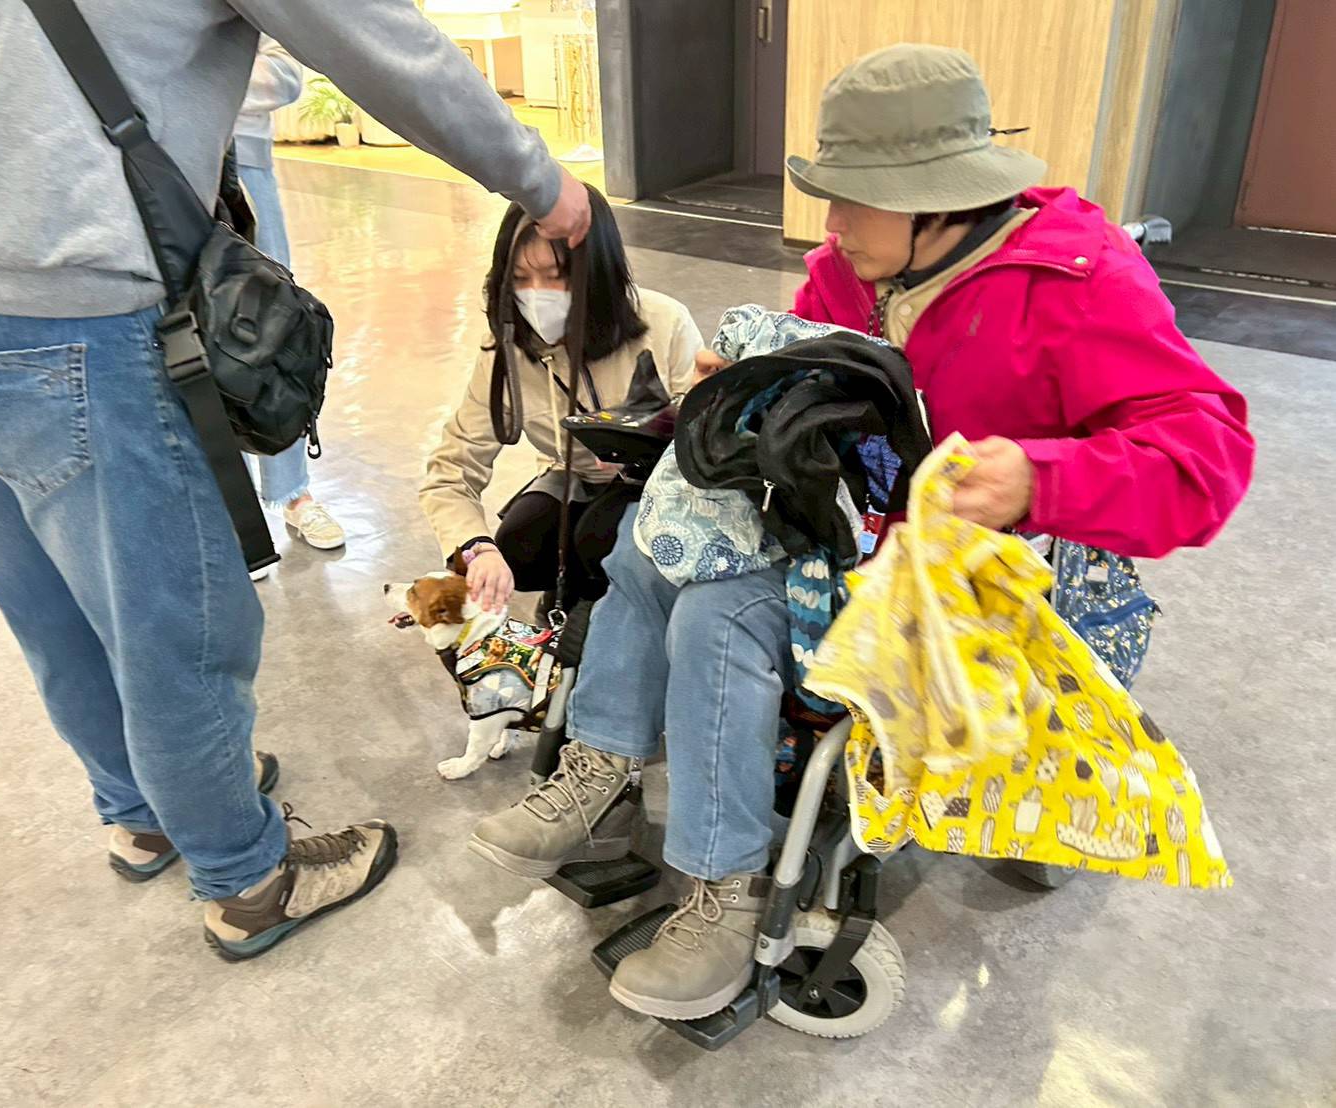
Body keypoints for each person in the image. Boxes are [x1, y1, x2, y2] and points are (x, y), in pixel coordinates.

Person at [468, 44, 1255, 1019]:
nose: (829, 223)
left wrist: (1036, 477)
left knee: (717, 614)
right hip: (838, 534)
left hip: (954, 578)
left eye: (851, 198)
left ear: (934, 201)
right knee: (646, 536)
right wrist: (740, 386)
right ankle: (600, 766)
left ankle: (726, 888)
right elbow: (809, 375)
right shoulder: (853, 270)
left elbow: (1206, 458)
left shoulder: (1075, 282)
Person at [0, 0, 591, 961]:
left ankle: (142, 812)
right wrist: (544, 185)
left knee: (49, 608)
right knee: (176, 620)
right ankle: (247, 878)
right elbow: (378, 40)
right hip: (61, 301)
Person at [419, 190, 702, 613]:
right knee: (520, 545)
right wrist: (476, 549)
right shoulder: (506, 350)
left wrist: (641, 456)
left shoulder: (665, 323)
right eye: (519, 279)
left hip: (659, 488)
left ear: (598, 272)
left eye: (555, 276)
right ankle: (571, 594)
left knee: (600, 538)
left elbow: (706, 451)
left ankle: (601, 613)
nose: (537, 295)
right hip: (573, 479)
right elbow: (451, 469)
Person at [233, 37, 347, 565]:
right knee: (183, 340)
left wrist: (189, 71)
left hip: (244, 164)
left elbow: (283, 75)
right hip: (150, 170)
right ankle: (230, 510)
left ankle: (292, 492)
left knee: (275, 326)